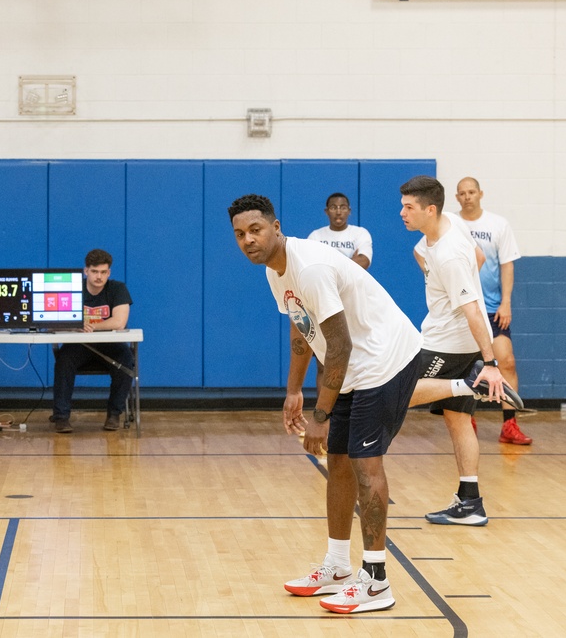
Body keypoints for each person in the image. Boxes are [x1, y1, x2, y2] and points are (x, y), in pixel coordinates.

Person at [226, 194, 514, 614]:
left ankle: (376, 581)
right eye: (239, 234)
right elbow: (302, 329)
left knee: (365, 464)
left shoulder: (310, 267)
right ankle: (338, 566)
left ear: (276, 226)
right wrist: (294, 390)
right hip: (353, 365)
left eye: (255, 230)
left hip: (384, 359)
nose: (248, 240)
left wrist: (321, 416)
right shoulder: (276, 272)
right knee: (338, 462)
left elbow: (339, 346)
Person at [401, 175, 521, 527]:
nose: (402, 213)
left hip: (445, 344)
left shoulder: (449, 255)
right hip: (461, 345)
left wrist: (490, 364)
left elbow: (471, 309)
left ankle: (470, 384)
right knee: (457, 420)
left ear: (430, 209)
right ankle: (471, 502)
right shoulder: (449, 225)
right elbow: (480, 256)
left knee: (399, 391)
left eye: (409, 208)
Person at [454, 177, 531, 444]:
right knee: (466, 367)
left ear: (480, 194)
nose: (467, 197)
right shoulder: (451, 223)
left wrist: (506, 301)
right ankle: (467, 421)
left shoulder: (498, 224)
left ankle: (509, 425)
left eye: (471, 192)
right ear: (456, 197)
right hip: (463, 309)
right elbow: (421, 252)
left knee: (506, 361)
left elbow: (507, 265)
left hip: (492, 310)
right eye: (462, 193)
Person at [50, 249, 134, 433]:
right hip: (80, 345)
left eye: (103, 272)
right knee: (63, 361)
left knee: (126, 360)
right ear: (86, 271)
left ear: (109, 273)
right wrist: (74, 326)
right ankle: (61, 417)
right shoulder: (72, 288)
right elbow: (52, 322)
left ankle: (114, 414)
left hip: (110, 345)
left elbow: (119, 322)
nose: (99, 277)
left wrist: (91, 325)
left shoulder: (118, 288)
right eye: (95, 271)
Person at [307, 193, 373, 270]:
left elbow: (364, 261)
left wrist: (325, 264)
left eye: (343, 208)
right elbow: (310, 264)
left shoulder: (360, 233)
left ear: (349, 211)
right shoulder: (315, 236)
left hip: (351, 282)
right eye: (333, 208)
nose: (338, 212)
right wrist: (350, 262)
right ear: (326, 211)